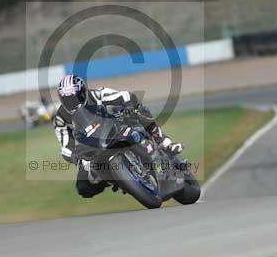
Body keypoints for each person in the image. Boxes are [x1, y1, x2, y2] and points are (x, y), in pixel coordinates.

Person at [53, 74, 184, 198]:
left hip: (115, 127)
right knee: (82, 187)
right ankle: (114, 179)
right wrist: (74, 156)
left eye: (74, 97)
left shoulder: (98, 95)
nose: (72, 102)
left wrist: (128, 105)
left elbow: (126, 96)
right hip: (92, 147)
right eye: (67, 100)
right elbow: (65, 145)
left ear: (82, 93)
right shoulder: (61, 118)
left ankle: (161, 140)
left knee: (138, 111)